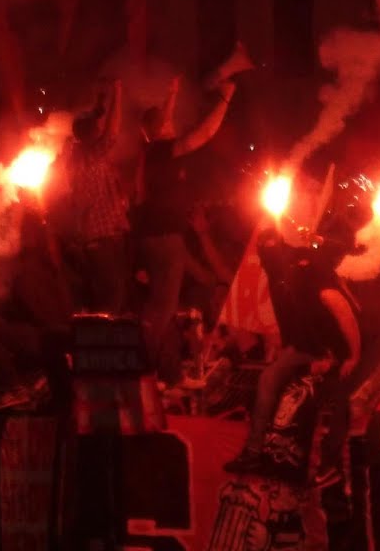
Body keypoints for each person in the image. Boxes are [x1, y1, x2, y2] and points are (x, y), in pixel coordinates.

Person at [136, 46, 247, 385]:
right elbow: (205, 133)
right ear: (160, 130)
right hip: (166, 238)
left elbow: (159, 124)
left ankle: (168, 374)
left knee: (162, 309)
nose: (172, 123)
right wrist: (226, 100)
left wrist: (172, 94)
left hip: (157, 237)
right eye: (167, 121)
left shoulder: (152, 151)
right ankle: (144, 372)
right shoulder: (166, 150)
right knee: (164, 310)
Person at [224, 216, 361, 475]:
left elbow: (341, 310)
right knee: (268, 378)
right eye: (263, 247)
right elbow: (294, 319)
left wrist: (350, 356)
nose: (267, 251)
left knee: (311, 394)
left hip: (331, 347)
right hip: (305, 346)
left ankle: (321, 464)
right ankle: (253, 453)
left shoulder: (301, 267)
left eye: (271, 244)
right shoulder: (277, 275)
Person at [61, 79, 130, 316]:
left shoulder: (78, 154)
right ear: (92, 134)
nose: (101, 130)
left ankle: (102, 346)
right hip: (102, 241)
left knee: (108, 298)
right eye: (97, 128)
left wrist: (101, 104)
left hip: (100, 240)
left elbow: (92, 124)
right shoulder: (90, 156)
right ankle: (104, 348)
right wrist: (118, 94)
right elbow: (112, 131)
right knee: (111, 301)